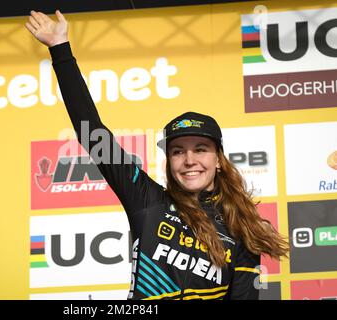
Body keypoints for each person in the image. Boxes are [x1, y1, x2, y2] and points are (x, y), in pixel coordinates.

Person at [25, 10, 290, 300]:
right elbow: (93, 133)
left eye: (200, 149)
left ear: (218, 159)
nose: (189, 160)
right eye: (178, 151)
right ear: (169, 161)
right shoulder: (147, 199)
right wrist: (60, 49)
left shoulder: (242, 227)